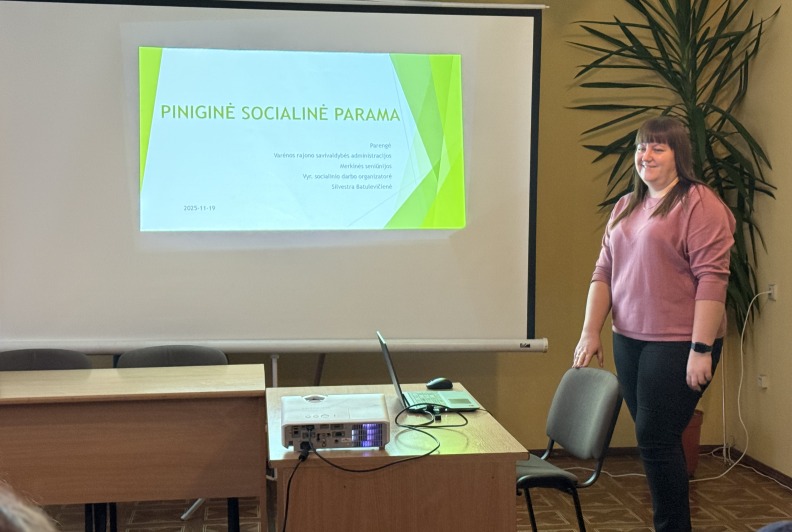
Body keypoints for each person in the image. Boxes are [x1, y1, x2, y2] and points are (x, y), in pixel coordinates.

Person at [572, 115, 736, 531]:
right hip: (629, 340)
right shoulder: (626, 205)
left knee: (656, 438)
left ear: (679, 154)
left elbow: (712, 278)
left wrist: (701, 348)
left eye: (657, 148)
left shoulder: (699, 203)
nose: (646, 155)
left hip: (680, 343)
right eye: (641, 147)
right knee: (655, 439)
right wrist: (590, 331)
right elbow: (603, 272)